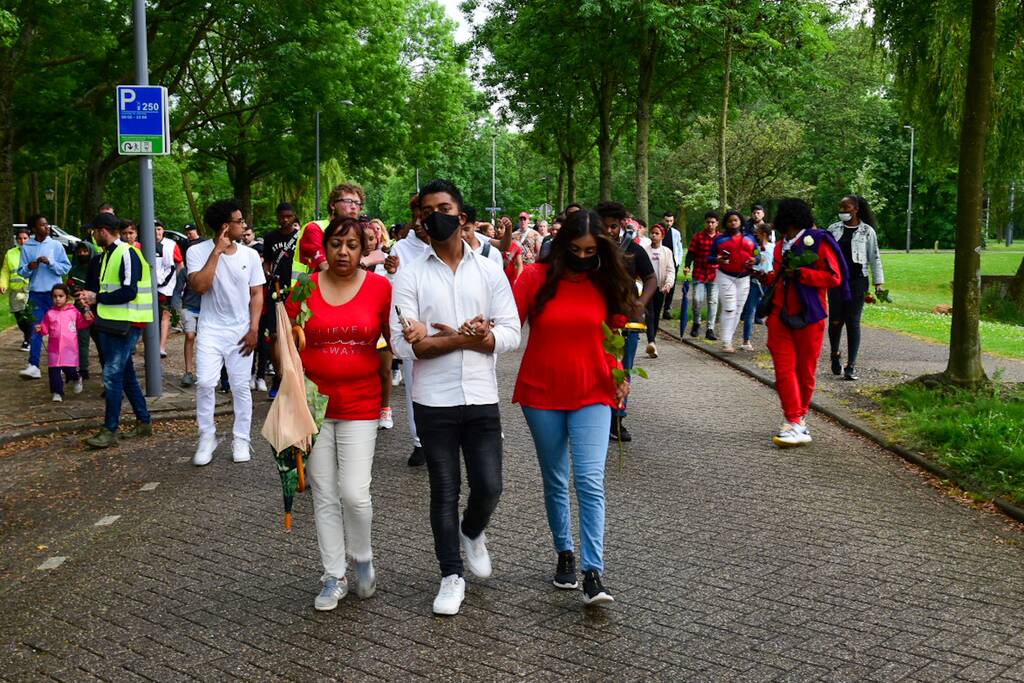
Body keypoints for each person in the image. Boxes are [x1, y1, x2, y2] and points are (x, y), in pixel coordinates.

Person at [390, 179, 521, 616]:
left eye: (444, 208)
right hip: (432, 399)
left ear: (462, 216)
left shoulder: (489, 271)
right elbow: (405, 346)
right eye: (427, 211)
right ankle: (450, 575)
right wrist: (465, 337)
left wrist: (473, 337)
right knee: (443, 489)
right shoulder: (408, 275)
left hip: (481, 395)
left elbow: (511, 332)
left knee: (489, 485)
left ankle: (472, 531)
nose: (435, 216)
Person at [513, 209, 632, 606]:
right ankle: (564, 551)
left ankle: (593, 572)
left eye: (592, 250)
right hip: (541, 392)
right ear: (563, 245)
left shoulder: (606, 282)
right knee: (555, 478)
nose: (584, 257)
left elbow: (615, 336)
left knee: (590, 481)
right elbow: (507, 327)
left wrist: (620, 375)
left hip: (594, 391)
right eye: (577, 250)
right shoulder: (534, 278)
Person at [285, 216, 392, 611]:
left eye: (352, 245)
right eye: (336, 244)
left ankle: (362, 556)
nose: (343, 252)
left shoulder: (380, 288)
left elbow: (393, 342)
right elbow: (286, 338)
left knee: (355, 493)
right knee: (325, 493)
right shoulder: (304, 288)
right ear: (324, 249)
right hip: (314, 405)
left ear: (364, 250)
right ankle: (334, 575)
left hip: (361, 403)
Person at [186, 199, 265, 466]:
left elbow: (256, 293)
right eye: (239, 221)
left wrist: (254, 328)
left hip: (241, 331)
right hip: (210, 330)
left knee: (241, 387)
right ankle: (207, 437)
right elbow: (200, 286)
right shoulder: (198, 252)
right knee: (206, 383)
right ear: (224, 226)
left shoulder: (250, 255)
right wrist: (217, 252)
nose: (243, 225)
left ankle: (241, 439)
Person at [765, 199, 848, 447]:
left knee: (805, 370)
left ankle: (798, 420)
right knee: (783, 369)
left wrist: (802, 274)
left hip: (809, 315)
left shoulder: (818, 241)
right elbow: (777, 276)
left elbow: (834, 277)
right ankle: (792, 420)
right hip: (780, 315)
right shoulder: (780, 246)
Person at [76, 213, 154, 448]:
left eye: (94, 231)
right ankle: (144, 422)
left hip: (127, 323)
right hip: (113, 322)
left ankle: (109, 429)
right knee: (125, 374)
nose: (93, 236)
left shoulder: (126, 253)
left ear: (103, 231)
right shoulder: (106, 256)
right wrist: (88, 303)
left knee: (112, 375)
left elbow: (129, 291)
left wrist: (96, 298)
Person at [595, 201, 656, 443]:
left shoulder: (634, 249)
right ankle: (598, 413)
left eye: (612, 226)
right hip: (597, 318)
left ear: (621, 223)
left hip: (625, 320)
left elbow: (651, 278)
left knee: (624, 368)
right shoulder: (593, 248)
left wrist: (640, 303)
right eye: (604, 226)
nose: (608, 231)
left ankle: (617, 418)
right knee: (599, 365)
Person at [384, 196, 432, 466]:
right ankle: (419, 442)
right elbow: (392, 287)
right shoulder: (401, 248)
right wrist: (392, 274)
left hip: (446, 329)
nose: (418, 223)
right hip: (414, 331)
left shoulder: (449, 244)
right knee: (416, 388)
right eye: (415, 216)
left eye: (423, 216)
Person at [826, 195, 886, 381]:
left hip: (858, 280)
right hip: (836, 281)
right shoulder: (833, 229)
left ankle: (851, 365)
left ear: (856, 209)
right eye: (841, 208)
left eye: (847, 208)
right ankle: (835, 354)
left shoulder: (867, 232)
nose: (843, 211)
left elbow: (874, 257)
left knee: (853, 321)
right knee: (835, 321)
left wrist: (879, 282)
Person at [18, 214, 71, 379]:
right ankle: (33, 365)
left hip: (55, 295)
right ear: (34, 228)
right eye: (42, 225)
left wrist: (51, 263)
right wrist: (30, 266)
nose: (46, 227)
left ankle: (62, 363)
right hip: (36, 295)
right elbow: (21, 271)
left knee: (58, 331)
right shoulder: (27, 247)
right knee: (36, 329)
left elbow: (66, 268)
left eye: (47, 224)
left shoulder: (55, 245)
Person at [260, 202, 300, 397]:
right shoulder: (270, 238)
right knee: (275, 335)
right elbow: (266, 261)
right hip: (275, 291)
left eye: (289, 216)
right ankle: (279, 376)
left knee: (294, 336)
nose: (285, 220)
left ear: (294, 217)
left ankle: (295, 376)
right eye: (282, 216)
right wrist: (267, 273)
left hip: (295, 292)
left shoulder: (299, 238)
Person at [359, 220, 395, 430]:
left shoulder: (385, 261)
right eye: (364, 239)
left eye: (371, 238)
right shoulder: (352, 264)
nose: (368, 243)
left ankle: (385, 409)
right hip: (360, 323)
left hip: (381, 322)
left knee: (384, 369)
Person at [708, 210, 760, 353]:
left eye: (736, 220)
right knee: (729, 307)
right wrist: (717, 259)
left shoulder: (750, 239)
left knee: (738, 309)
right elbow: (710, 258)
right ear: (726, 223)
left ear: (741, 222)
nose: (733, 223)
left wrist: (755, 259)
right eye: (730, 220)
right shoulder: (719, 240)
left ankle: (728, 340)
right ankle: (725, 342)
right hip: (725, 276)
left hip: (744, 277)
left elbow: (758, 255)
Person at [295, 182, 364, 283]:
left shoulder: (359, 233)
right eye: (348, 201)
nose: (354, 207)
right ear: (333, 205)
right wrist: (369, 260)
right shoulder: (315, 229)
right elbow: (327, 267)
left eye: (358, 203)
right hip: (309, 292)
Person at [38, 283, 92, 402]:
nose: (57, 299)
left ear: (66, 297)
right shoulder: (50, 313)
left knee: (70, 370)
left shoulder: (73, 312)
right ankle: (57, 392)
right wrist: (40, 329)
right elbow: (45, 328)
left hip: (70, 349)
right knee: (54, 371)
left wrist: (88, 320)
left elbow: (81, 324)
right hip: (54, 348)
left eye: (60, 296)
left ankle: (76, 378)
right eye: (55, 296)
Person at [739, 223, 776, 351]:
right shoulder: (755, 248)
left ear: (764, 234)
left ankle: (773, 341)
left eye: (758, 232)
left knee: (770, 311)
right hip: (755, 281)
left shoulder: (773, 247)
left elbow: (774, 263)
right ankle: (746, 340)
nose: (756, 234)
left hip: (769, 282)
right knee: (750, 309)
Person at [686, 211, 721, 340]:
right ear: (705, 223)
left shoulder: (721, 238)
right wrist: (687, 266)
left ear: (717, 223)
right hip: (699, 274)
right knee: (697, 300)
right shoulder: (698, 237)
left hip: (715, 274)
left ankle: (710, 329)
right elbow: (691, 253)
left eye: (713, 222)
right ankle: (696, 323)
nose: (710, 225)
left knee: (713, 302)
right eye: (708, 222)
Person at [67, 241, 98, 379]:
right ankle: (83, 368)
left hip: (97, 309)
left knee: (101, 341)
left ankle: (106, 366)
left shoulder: (98, 269)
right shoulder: (74, 271)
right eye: (79, 252)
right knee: (82, 341)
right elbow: (70, 288)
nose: (82, 254)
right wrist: (74, 291)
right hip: (80, 309)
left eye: (85, 251)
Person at [179, 227, 205, 388]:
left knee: (204, 341)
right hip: (189, 306)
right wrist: (176, 307)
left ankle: (203, 372)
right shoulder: (184, 271)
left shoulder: (210, 267)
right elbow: (177, 290)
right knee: (190, 336)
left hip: (206, 308)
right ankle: (188, 371)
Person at [644, 224, 675, 358]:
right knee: (649, 314)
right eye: (652, 233)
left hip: (660, 288)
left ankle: (653, 341)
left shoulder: (667, 252)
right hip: (647, 287)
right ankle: (651, 341)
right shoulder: (644, 250)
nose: (653, 236)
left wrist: (668, 284)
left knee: (656, 315)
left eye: (657, 233)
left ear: (662, 236)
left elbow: (670, 270)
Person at [1, 226, 33, 351]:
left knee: (29, 315)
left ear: (29, 239)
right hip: (16, 290)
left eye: (25, 238)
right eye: (19, 238)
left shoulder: (34, 252)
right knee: (19, 316)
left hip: (30, 289)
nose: (22, 241)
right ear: (16, 240)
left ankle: (28, 340)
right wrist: (3, 285)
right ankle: (28, 334)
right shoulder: (10, 253)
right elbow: (5, 271)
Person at [155, 221, 183, 358]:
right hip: (147, 288)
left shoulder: (171, 245)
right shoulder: (142, 244)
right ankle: (151, 344)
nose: (156, 232)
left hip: (166, 288)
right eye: (153, 229)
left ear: (163, 230)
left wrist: (174, 283)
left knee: (165, 316)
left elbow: (179, 265)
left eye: (159, 229)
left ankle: (161, 347)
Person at [660, 212, 684, 319]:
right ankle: (657, 308)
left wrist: (677, 261)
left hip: (673, 263)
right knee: (659, 285)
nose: (669, 223)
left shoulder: (676, 233)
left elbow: (679, 248)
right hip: (660, 262)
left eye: (671, 221)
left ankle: (666, 310)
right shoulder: (658, 231)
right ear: (663, 220)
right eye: (667, 220)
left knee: (671, 287)